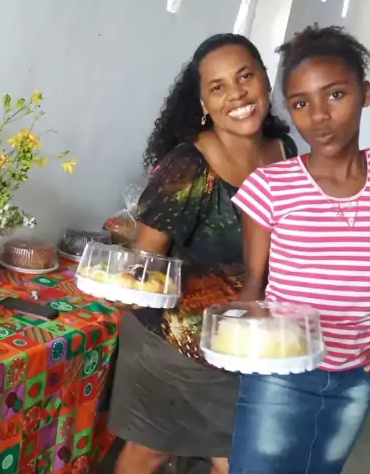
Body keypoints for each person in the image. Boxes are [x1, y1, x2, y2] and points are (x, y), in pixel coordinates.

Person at [230, 25, 370, 473]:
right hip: (280, 370)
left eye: (335, 95)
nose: (319, 116)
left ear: (365, 94)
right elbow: (255, 284)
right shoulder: (271, 186)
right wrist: (236, 329)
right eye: (301, 104)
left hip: (359, 371)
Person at [108, 33, 297, 474]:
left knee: (240, 457)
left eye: (245, 76)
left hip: (247, 340)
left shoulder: (284, 153)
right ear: (204, 104)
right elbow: (144, 267)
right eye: (218, 87)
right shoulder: (189, 165)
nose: (237, 94)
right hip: (173, 344)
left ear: (265, 79)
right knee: (153, 453)